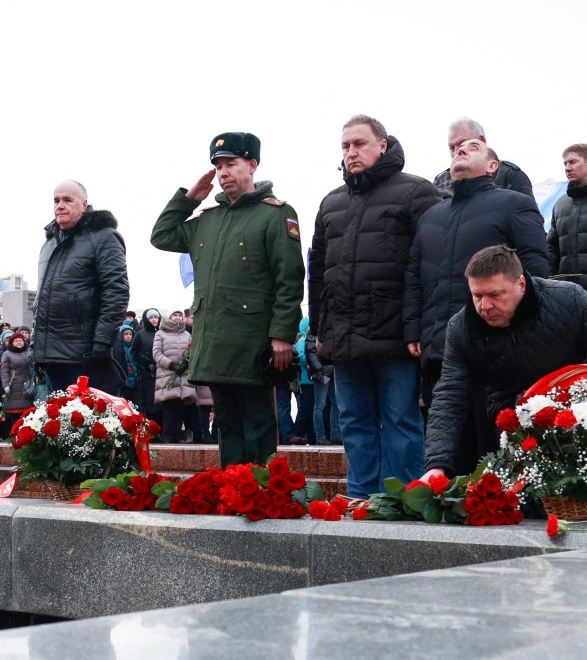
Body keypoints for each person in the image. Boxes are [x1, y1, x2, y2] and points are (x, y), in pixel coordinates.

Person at [419, 245, 587, 481]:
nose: (484, 307)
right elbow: (450, 395)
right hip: (506, 432)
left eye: (495, 295)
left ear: (521, 284)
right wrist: (437, 465)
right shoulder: (461, 327)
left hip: (579, 424)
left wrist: (572, 396)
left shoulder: (569, 299)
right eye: (477, 296)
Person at [151, 131, 305, 466]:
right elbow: (161, 236)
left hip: (253, 342)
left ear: (252, 165)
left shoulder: (276, 214)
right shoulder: (207, 218)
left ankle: (264, 497)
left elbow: (289, 278)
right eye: (218, 166)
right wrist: (189, 199)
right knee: (227, 425)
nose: (223, 173)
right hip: (215, 341)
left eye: (231, 164)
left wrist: (282, 335)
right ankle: (234, 493)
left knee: (258, 422)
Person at [310, 114, 442, 493]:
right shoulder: (331, 202)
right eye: (345, 147)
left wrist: (420, 326)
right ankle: (361, 497)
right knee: (352, 420)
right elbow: (318, 273)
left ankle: (405, 500)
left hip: (395, 335)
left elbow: (431, 265)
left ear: (382, 145)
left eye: (359, 144)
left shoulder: (416, 192)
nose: (351, 152)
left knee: (401, 419)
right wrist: (318, 330)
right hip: (344, 337)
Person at [405, 134, 549, 468]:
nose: (460, 150)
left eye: (473, 147)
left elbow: (537, 268)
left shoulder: (514, 203)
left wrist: (526, 325)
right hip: (440, 346)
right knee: (449, 443)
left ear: (493, 166)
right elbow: (414, 276)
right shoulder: (431, 217)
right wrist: (414, 329)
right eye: (456, 148)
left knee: (494, 443)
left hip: (498, 344)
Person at [30, 180, 130, 395]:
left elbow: (116, 291)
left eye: (67, 199)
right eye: (56, 200)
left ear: (84, 205)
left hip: (84, 354)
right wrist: (36, 348)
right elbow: (42, 299)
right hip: (51, 355)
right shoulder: (50, 243)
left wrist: (102, 342)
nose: (60, 205)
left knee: (92, 425)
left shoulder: (104, 237)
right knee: (58, 425)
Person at [546, 143, 587, 295]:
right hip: (566, 294)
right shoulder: (560, 204)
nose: (567, 168)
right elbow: (552, 250)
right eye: (565, 163)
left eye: (573, 162)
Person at [431, 117, 535, 199]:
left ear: (482, 141)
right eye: (451, 148)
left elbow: (527, 216)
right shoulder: (440, 182)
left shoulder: (510, 175)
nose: (457, 152)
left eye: (463, 143)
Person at [152, 310, 195, 443]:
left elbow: (192, 351)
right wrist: (171, 365)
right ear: (169, 317)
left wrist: (186, 364)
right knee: (169, 406)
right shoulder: (161, 333)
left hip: (183, 375)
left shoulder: (187, 333)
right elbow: (156, 353)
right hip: (168, 374)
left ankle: (177, 434)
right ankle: (166, 434)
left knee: (180, 406)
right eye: (174, 315)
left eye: (179, 315)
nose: (177, 318)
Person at [0, 329, 34, 436]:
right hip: (14, 387)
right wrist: (5, 386)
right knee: (15, 416)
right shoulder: (7, 354)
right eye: (16, 340)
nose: (19, 342)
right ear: (11, 342)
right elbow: (4, 371)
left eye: (21, 340)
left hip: (27, 387)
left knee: (27, 415)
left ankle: (26, 437)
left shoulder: (28, 353)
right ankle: (15, 437)